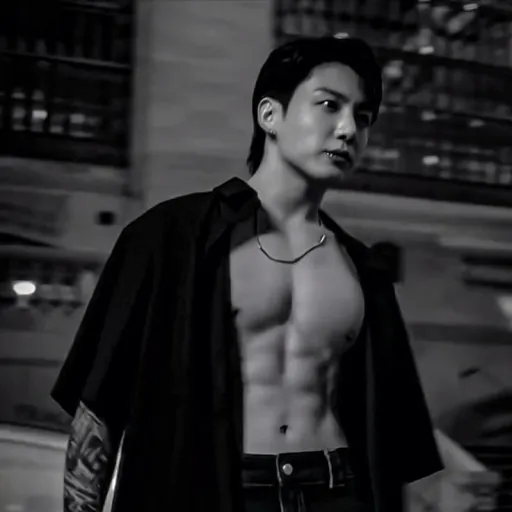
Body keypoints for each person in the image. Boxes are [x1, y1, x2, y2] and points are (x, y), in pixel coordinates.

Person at [52, 36, 443, 512]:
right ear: (269, 115)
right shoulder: (169, 236)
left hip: (337, 490)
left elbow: (394, 440)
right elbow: (100, 406)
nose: (348, 130)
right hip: (212, 493)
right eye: (328, 105)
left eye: (362, 118)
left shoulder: (364, 270)